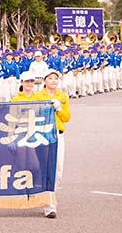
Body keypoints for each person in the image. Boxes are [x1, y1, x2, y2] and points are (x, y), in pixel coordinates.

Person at [37, 69, 71, 218]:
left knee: (58, 170)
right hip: (43, 134)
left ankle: (50, 194)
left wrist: (58, 108)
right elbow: (34, 114)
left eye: (56, 79)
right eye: (50, 78)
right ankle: (49, 204)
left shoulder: (62, 96)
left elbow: (67, 117)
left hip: (58, 134)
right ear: (45, 80)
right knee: (46, 168)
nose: (53, 81)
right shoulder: (39, 97)